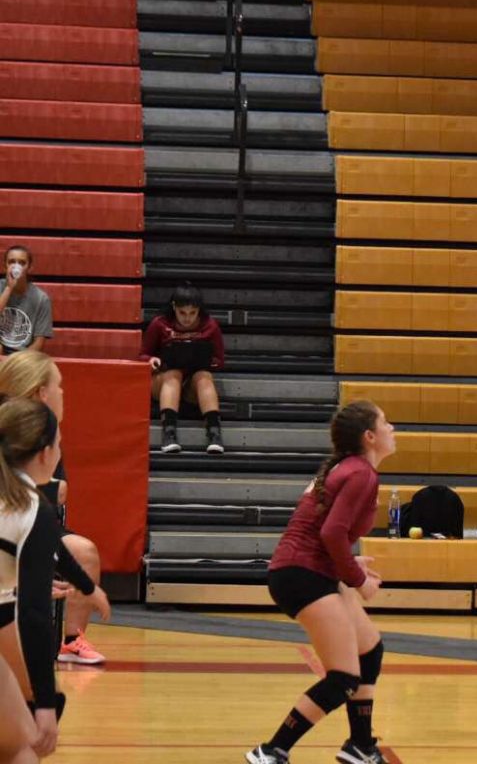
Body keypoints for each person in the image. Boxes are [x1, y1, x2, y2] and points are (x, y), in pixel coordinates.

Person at [246, 400, 396, 764]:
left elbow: (324, 534)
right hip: (302, 575)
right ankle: (271, 751)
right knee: (344, 677)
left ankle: (360, 746)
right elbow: (331, 532)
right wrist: (358, 579)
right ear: (370, 436)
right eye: (386, 422)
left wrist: (347, 560)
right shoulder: (361, 473)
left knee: (369, 651)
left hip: (306, 569)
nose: (393, 428)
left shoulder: (348, 468)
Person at [0, 350, 111, 665]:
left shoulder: (47, 429)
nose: (63, 392)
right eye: (58, 385)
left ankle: (72, 641)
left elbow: (59, 491)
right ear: (39, 391)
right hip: (11, 527)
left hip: (33, 522)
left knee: (84, 551)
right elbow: (51, 489)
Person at [0, 399, 71, 758]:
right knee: (23, 748)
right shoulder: (31, 509)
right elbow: (32, 615)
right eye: (59, 444)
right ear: (44, 453)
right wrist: (45, 702)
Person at [140, 283, 226, 454]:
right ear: (174, 307)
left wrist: (206, 360)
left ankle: (214, 433)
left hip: (192, 384)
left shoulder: (210, 326)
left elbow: (220, 360)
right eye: (182, 313)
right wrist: (152, 360)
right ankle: (169, 433)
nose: (187, 318)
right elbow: (143, 354)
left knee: (204, 377)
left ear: (199, 310)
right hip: (164, 380)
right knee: (174, 374)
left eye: (192, 313)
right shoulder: (160, 324)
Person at [0, 246, 52, 355]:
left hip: (23, 357)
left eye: (22, 263)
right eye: (11, 262)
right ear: (5, 266)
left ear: (29, 268)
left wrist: (20, 361)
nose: (16, 266)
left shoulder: (41, 299)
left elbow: (39, 343)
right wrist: (8, 289)